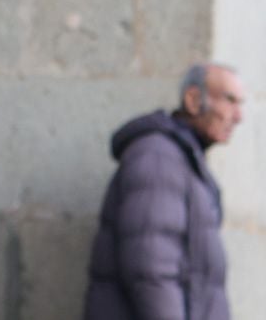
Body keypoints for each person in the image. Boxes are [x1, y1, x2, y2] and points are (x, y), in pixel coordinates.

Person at [83, 63, 246, 320]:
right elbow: (149, 267)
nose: (238, 116)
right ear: (193, 99)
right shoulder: (158, 157)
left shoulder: (182, 160)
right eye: (229, 100)